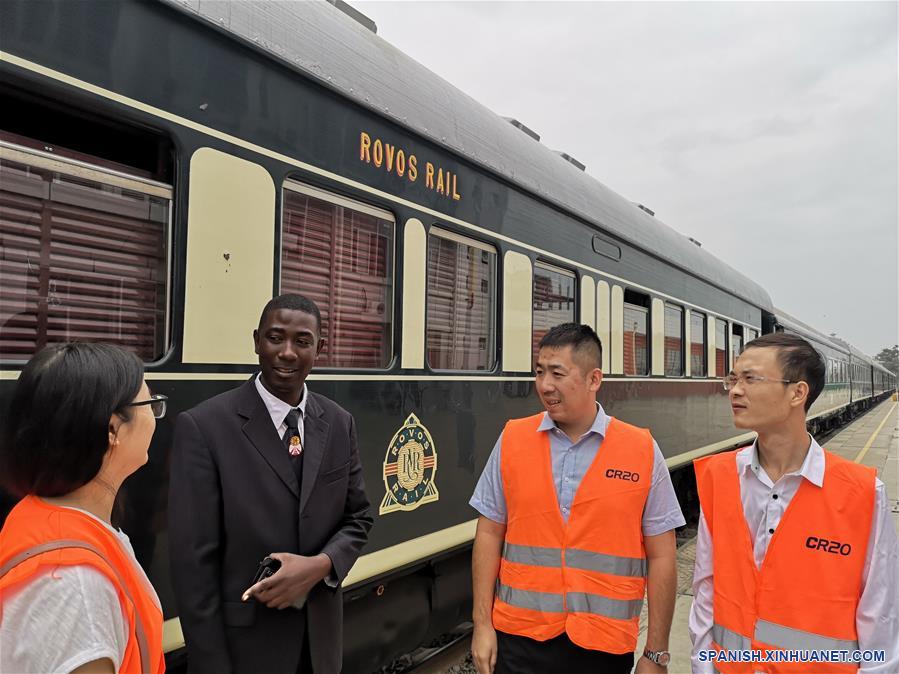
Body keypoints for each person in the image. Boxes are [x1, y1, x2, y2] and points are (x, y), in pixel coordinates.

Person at [169, 293, 372, 674]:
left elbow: (358, 517)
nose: (287, 353)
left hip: (319, 648)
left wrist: (320, 566)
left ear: (320, 349)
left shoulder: (339, 422)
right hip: (244, 651)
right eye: (275, 338)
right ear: (256, 341)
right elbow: (193, 565)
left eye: (302, 341)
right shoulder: (205, 427)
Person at [470, 323, 684, 674]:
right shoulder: (513, 439)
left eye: (557, 373)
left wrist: (656, 652)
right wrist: (481, 625)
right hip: (520, 639)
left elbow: (662, 555)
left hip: (603, 647)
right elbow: (489, 532)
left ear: (593, 379)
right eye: (539, 372)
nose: (545, 385)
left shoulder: (641, 449)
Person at [690, 332, 899, 673]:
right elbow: (705, 591)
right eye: (733, 378)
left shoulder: (863, 494)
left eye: (750, 379)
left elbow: (882, 620)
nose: (735, 390)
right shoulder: (718, 477)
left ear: (797, 392)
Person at [0, 342, 166, 674]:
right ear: (112, 429)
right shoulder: (77, 589)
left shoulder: (42, 514)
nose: (157, 414)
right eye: (151, 402)